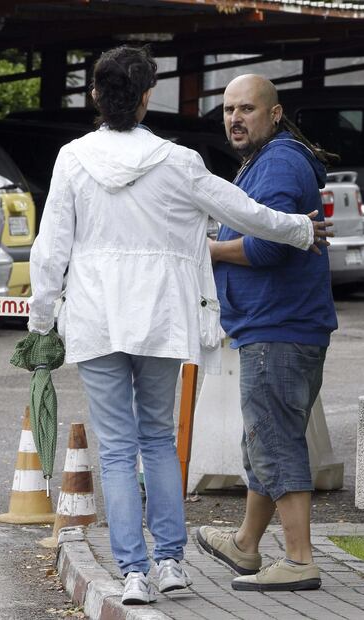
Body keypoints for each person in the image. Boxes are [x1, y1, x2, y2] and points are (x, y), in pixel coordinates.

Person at [27, 49, 331, 606]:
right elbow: (243, 211)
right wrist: (300, 230)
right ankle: (170, 563)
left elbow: (50, 250)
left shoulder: (72, 159)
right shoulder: (178, 160)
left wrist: (42, 321)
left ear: (97, 96)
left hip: (97, 318)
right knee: (157, 441)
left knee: (116, 449)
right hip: (161, 317)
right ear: (147, 98)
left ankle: (133, 572)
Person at [197, 74, 338, 593]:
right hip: (282, 326)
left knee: (274, 439)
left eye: (247, 109)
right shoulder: (268, 159)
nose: (235, 118)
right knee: (264, 437)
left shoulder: (278, 162)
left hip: (279, 329)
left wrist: (207, 251)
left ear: (274, 114)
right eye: (229, 109)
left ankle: (300, 560)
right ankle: (246, 545)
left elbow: (273, 246)